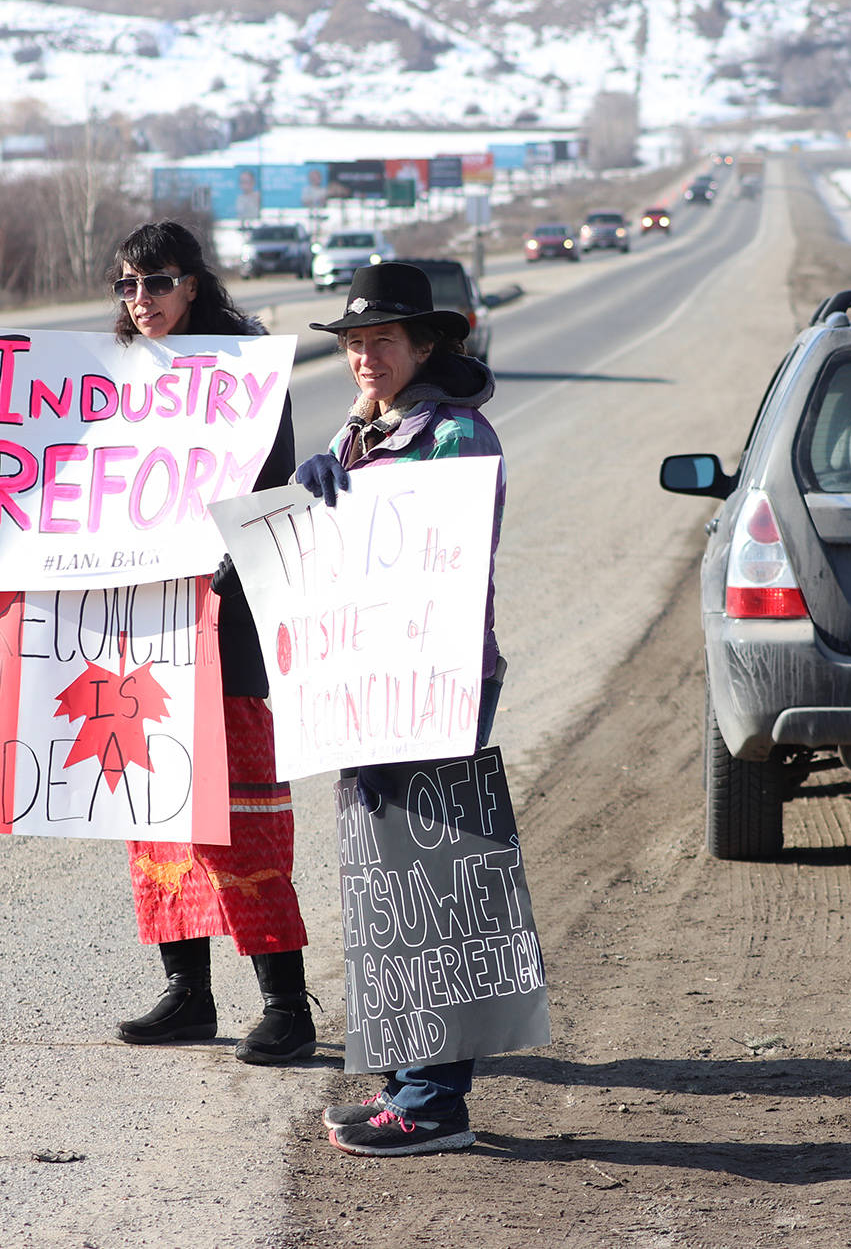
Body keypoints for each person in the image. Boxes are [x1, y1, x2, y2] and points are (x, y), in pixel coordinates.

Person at [0, 221, 317, 1065]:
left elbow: (273, 499)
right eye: (126, 286)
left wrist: (235, 556)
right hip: (136, 631)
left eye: (155, 283)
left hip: (224, 629)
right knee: (153, 811)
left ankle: (287, 1004)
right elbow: (69, 498)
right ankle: (188, 993)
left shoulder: (245, 376)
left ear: (195, 285)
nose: (138, 301)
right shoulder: (103, 381)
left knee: (240, 815)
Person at [295, 261, 507, 1157]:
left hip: (436, 677)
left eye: (382, 339)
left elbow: (441, 538)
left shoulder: (456, 436)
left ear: (425, 345)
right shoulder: (361, 434)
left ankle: (434, 1101)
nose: (364, 356)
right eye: (352, 342)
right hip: (370, 676)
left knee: (431, 881)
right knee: (385, 881)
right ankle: (403, 1083)